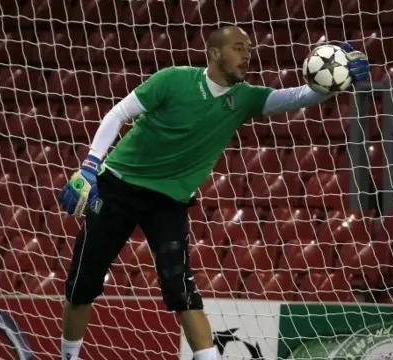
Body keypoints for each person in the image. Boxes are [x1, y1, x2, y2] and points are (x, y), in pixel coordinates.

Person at [57, 25, 370, 360]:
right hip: (118, 186)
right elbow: (118, 113)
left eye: (249, 49)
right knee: (81, 286)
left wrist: (336, 82)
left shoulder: (245, 97)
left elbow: (299, 97)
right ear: (215, 53)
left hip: (168, 202)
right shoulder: (173, 79)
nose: (247, 55)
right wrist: (91, 163)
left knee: (182, 292)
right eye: (238, 47)